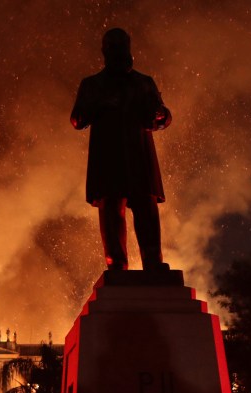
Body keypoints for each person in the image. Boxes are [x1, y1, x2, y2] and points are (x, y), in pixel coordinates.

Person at [71, 27, 172, 271]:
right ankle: (116, 263)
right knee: (112, 209)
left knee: (146, 208)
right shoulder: (92, 84)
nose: (119, 52)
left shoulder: (143, 82)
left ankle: (153, 262)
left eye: (122, 46)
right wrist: (101, 105)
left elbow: (162, 115)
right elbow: (77, 119)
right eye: (114, 47)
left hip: (138, 153)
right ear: (105, 51)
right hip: (108, 156)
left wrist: (161, 115)